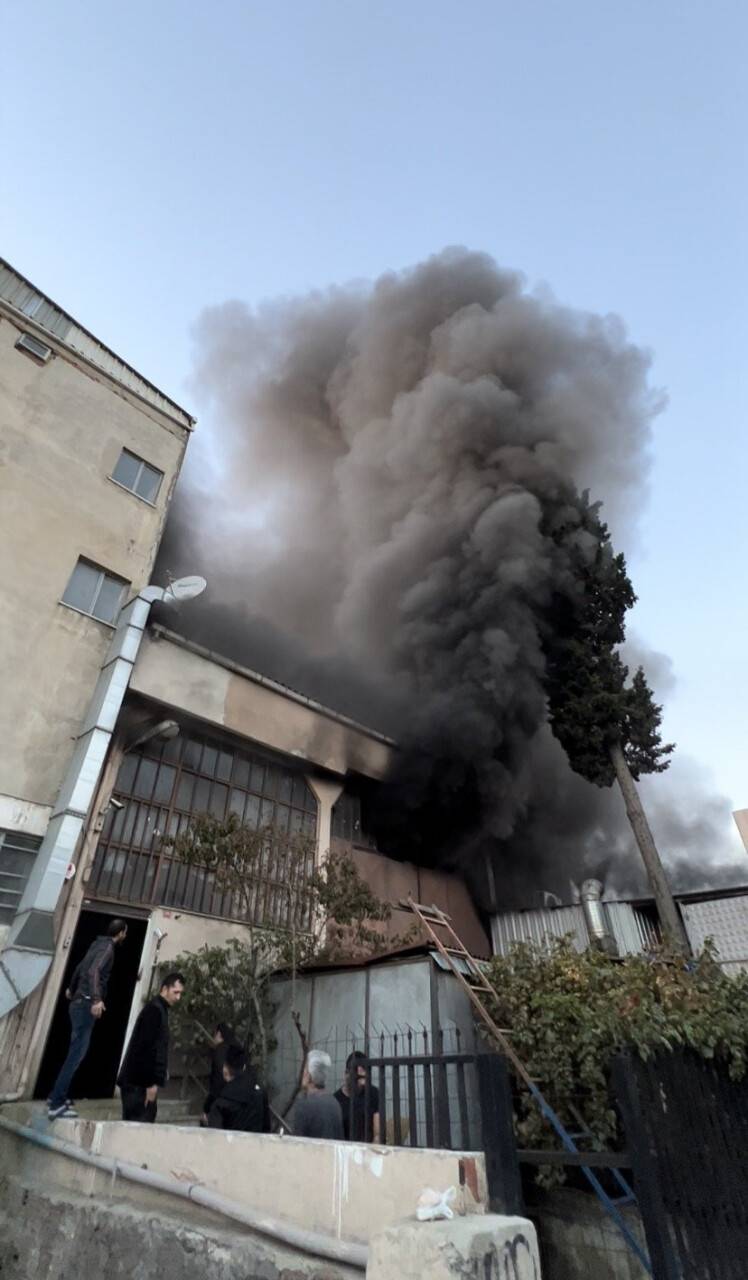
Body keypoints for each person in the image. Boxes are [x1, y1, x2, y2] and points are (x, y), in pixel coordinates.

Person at [47, 918, 129, 1121]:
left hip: (77, 1001)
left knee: (74, 1053)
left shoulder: (96, 944)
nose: (125, 936)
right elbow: (93, 971)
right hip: (84, 1005)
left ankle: (57, 1096)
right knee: (76, 1055)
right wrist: (96, 999)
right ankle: (56, 1104)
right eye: (125, 932)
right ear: (120, 933)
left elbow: (80, 967)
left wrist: (72, 988)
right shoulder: (108, 948)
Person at [117, 971, 185, 1122]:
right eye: (176, 992)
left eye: (181, 993)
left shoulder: (159, 1009)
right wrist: (150, 1084)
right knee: (138, 1128)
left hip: (137, 1083)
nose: (178, 997)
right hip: (137, 1085)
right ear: (164, 989)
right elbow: (145, 1049)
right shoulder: (154, 1010)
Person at [207, 1042, 271, 1133]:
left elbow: (215, 1138)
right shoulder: (260, 1094)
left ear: (225, 1070)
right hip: (256, 1146)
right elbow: (266, 1130)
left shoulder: (220, 1103)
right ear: (244, 1067)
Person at [290, 1050, 344, 1140]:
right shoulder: (335, 1103)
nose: (303, 1072)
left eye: (305, 1068)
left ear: (309, 1075)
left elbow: (298, 1143)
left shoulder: (304, 1105)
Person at [334, 1050, 381, 1143]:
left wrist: (373, 1150)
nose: (361, 1085)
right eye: (357, 1078)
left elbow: (377, 1134)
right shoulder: (336, 1101)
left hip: (369, 1149)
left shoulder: (373, 1093)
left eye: (364, 1078)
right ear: (346, 1074)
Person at [201, 1022, 237, 1125]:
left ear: (219, 1034)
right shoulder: (233, 1050)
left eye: (214, 1034)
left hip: (221, 1099)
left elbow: (218, 1079)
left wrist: (207, 1107)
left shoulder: (220, 1051)